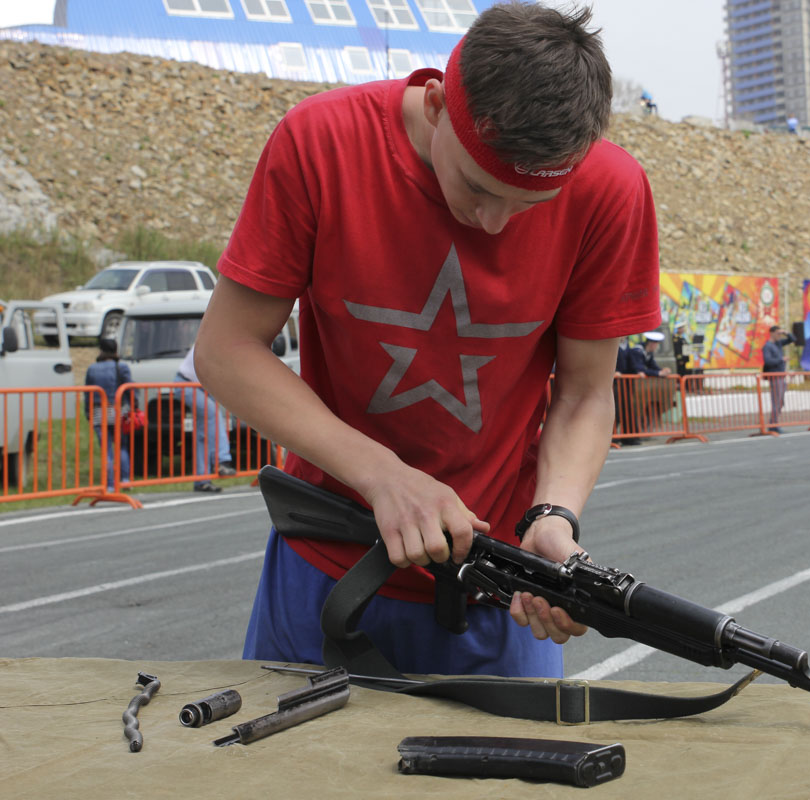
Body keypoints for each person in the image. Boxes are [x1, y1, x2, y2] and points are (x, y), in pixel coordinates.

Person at [194, 3, 660, 678]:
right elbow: (226, 351)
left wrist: (555, 516)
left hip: (500, 583)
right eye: (476, 187)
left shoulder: (611, 190)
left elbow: (586, 393)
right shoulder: (321, 142)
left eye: (528, 205)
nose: (495, 224)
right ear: (438, 104)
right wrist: (384, 476)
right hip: (328, 558)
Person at [174, 345, 236, 492]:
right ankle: (222, 460)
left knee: (203, 436)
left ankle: (201, 479)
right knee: (213, 414)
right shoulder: (216, 342)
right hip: (188, 383)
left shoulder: (221, 342)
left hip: (196, 385)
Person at [83, 337, 133, 492]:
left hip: (98, 410)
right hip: (117, 409)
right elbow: (130, 389)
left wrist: (88, 412)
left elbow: (87, 394)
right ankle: (125, 479)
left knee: (106, 448)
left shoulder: (92, 369)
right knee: (122, 446)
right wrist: (133, 406)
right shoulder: (122, 367)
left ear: (101, 350)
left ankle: (110, 484)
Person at [761, 325, 795, 433]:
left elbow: (793, 339)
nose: (779, 336)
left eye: (780, 334)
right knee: (776, 401)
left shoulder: (778, 344)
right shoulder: (767, 346)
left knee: (780, 402)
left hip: (781, 376)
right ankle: (773, 425)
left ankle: (773, 423)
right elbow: (768, 361)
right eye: (777, 333)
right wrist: (781, 359)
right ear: (772, 333)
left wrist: (785, 331)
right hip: (774, 376)